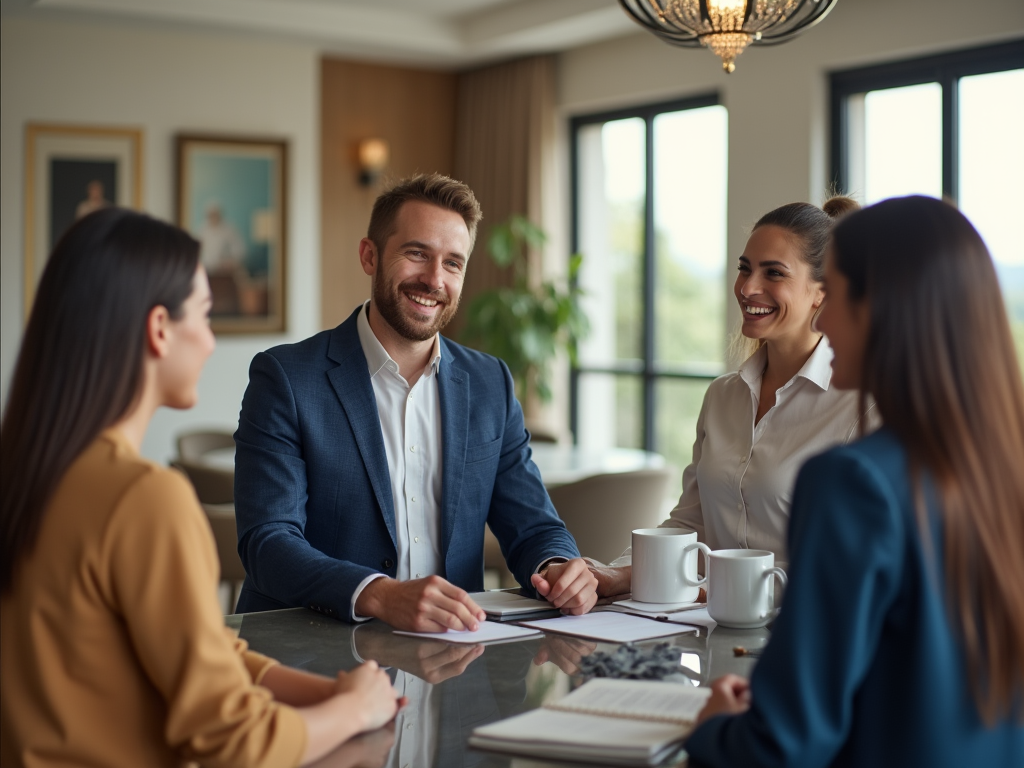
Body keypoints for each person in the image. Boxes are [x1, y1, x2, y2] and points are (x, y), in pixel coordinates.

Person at [0, 208, 403, 767]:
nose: (211, 342)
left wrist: (328, 692)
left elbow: (195, 651)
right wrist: (354, 712)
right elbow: (234, 744)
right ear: (159, 328)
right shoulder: (144, 499)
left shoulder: (32, 472)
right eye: (206, 316)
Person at [686, 196, 1024, 766]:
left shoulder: (854, 481)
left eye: (836, 296)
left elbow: (782, 746)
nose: (825, 319)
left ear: (884, 309)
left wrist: (713, 730)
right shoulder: (998, 472)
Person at [233, 173, 597, 630]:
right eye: (417, 254)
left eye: (453, 263)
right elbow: (268, 543)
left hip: (454, 658)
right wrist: (378, 594)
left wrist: (557, 568)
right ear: (370, 256)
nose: (434, 279)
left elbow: (534, 527)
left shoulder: (490, 383)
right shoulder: (286, 378)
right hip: (313, 658)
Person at [591, 197, 873, 596]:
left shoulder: (863, 406)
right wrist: (618, 573)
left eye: (773, 273)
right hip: (711, 636)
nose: (748, 288)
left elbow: (854, 562)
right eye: (745, 269)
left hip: (805, 638)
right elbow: (692, 525)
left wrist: (721, 589)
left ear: (822, 293)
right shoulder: (722, 396)